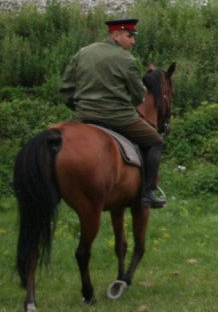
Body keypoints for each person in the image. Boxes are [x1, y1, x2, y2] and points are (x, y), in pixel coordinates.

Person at [59, 18, 167, 208]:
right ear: (116, 36)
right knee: (156, 141)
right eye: (129, 36)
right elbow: (138, 96)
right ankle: (147, 192)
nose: (132, 41)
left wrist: (80, 109)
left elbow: (66, 89)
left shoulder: (83, 53)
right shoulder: (127, 59)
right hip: (118, 118)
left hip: (84, 116)